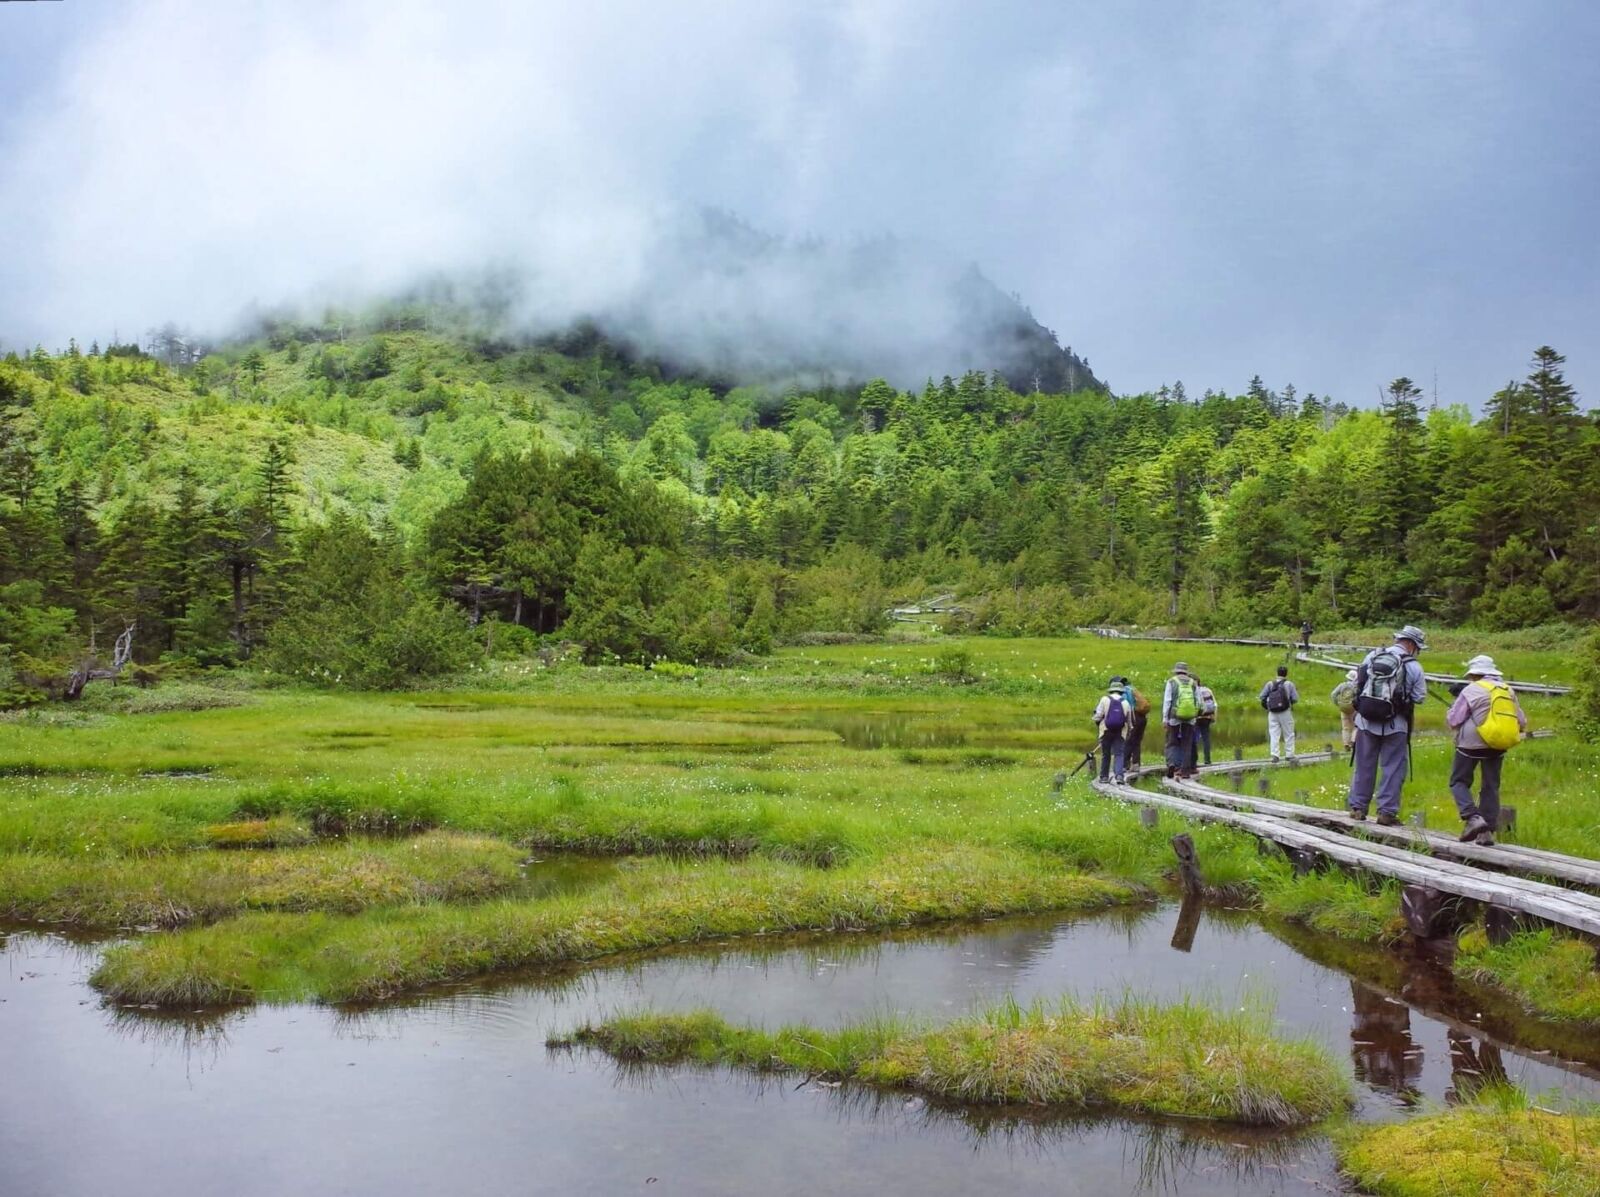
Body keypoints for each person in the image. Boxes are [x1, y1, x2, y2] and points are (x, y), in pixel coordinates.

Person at [1347, 625, 1429, 826]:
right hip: (1396, 724)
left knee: (1364, 764)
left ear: (1398, 639)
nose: (1417, 651)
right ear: (1411, 644)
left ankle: (1358, 807)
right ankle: (1386, 813)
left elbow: (1358, 684)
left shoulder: (1372, 657)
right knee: (1392, 767)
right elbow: (1420, 697)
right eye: (1417, 647)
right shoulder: (1414, 666)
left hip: (1366, 721)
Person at [1445, 654, 1527, 845]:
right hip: (1498, 743)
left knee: (1458, 781)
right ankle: (1486, 832)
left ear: (1474, 674)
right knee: (1490, 786)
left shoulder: (1471, 690)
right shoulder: (1508, 690)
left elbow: (1454, 720)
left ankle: (1472, 818)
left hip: (1470, 743)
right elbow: (1521, 721)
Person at [1162, 662, 1201, 779]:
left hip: (1174, 716)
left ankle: (1172, 764)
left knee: (1172, 741)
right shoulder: (1193, 683)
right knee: (1187, 743)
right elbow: (1198, 701)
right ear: (1186, 671)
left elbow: (1167, 701)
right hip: (1190, 717)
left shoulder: (1171, 682)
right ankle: (1185, 771)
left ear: (1176, 671)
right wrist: (1195, 714)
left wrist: (1165, 718)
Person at [1092, 679, 1133, 784]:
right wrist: (1128, 733)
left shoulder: (1105, 699)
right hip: (1120, 732)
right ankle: (1119, 776)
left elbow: (1098, 716)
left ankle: (1104, 777)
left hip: (1106, 730)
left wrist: (1097, 721)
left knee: (1106, 754)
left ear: (1111, 690)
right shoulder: (1126, 703)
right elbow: (1129, 721)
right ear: (1121, 691)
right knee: (1119, 754)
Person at [1259, 665, 1298, 761]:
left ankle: (1275, 755)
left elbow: (1262, 696)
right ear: (1286, 674)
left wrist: (1268, 706)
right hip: (1285, 712)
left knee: (1274, 734)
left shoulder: (1270, 684)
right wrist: (1289, 703)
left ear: (1277, 673)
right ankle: (1289, 755)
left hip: (1272, 712)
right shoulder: (1289, 684)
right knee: (1289, 733)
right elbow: (1295, 699)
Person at [1119, 676, 1152, 770]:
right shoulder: (1134, 689)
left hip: (1133, 716)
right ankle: (1136, 764)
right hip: (1142, 717)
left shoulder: (1124, 691)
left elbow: (1126, 706)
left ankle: (1125, 765)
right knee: (1137, 741)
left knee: (1128, 741)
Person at [1190, 677, 1217, 769]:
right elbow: (1215, 704)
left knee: (1193, 739)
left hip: (1195, 717)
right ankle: (1207, 760)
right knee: (1206, 739)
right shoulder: (1207, 689)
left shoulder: (1191, 690)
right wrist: (1214, 716)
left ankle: (1193, 761)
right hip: (1207, 717)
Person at [1330, 668, 1358, 750]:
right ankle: (1353, 741)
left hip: (1343, 708)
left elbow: (1333, 694)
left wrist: (1338, 703)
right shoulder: (1355, 687)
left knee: (1345, 726)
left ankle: (1346, 743)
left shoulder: (1342, 685)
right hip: (1353, 708)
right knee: (1355, 726)